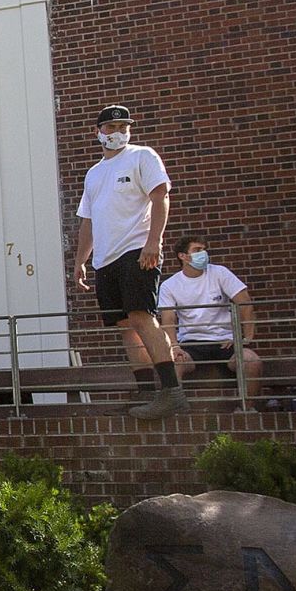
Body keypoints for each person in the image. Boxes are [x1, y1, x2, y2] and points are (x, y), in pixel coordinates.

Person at [73, 105, 184, 419]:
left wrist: (154, 241)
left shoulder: (142, 156)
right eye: (110, 127)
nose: (117, 132)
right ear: (98, 132)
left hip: (136, 250)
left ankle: (171, 391)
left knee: (141, 317)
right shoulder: (94, 174)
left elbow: (160, 195)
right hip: (105, 261)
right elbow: (88, 222)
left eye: (123, 126)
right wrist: (81, 260)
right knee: (125, 326)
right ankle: (146, 394)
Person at [158, 237, 263, 405]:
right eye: (197, 250)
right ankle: (176, 413)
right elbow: (168, 319)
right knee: (172, 365)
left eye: (204, 249)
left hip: (225, 342)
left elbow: (245, 303)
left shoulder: (219, 273)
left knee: (252, 361)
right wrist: (175, 346)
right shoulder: (169, 285)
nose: (203, 254)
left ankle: (248, 411)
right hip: (191, 344)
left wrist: (245, 338)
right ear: (182, 256)